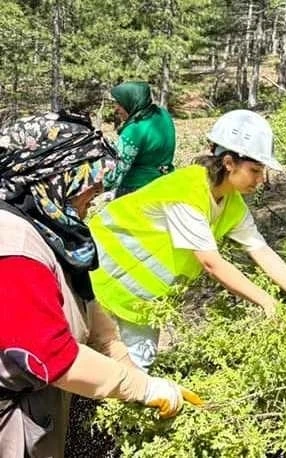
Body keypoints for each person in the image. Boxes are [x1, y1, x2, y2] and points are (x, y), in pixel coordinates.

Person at [0, 112, 201, 457]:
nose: (92, 198)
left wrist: (130, 367)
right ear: (54, 178)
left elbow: (97, 327)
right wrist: (141, 387)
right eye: (87, 187)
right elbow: (50, 356)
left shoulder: (51, 230)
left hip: (40, 408)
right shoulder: (13, 247)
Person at [89, 109, 286, 371]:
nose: (260, 180)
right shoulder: (187, 190)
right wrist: (267, 303)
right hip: (94, 282)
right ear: (229, 163)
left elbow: (262, 252)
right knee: (78, 361)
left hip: (138, 304)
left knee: (133, 374)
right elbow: (211, 263)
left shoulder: (233, 206)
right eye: (255, 170)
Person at [103, 81, 176, 197]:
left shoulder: (133, 130)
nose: (116, 109)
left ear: (131, 102)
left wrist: (90, 189)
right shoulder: (163, 114)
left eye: (120, 104)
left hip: (137, 189)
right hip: (165, 182)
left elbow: (115, 173)